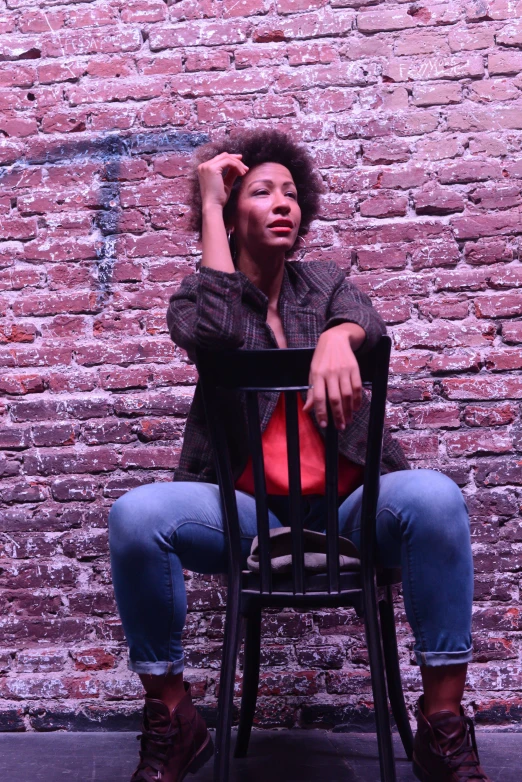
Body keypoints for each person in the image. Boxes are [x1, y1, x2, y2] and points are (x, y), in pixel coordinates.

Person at [108, 129, 492, 782]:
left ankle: (443, 723)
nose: (283, 202)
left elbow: (367, 318)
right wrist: (207, 203)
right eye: (261, 192)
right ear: (232, 214)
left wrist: (340, 337)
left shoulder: (324, 282)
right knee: (135, 517)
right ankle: (175, 716)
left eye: (291, 192)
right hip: (245, 515)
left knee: (436, 498)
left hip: (347, 509)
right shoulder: (195, 297)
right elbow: (216, 331)